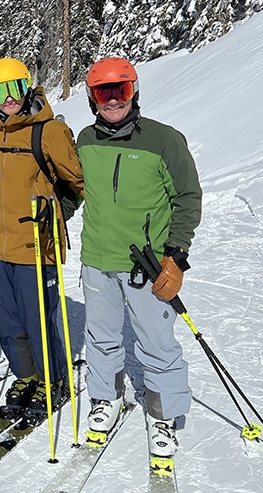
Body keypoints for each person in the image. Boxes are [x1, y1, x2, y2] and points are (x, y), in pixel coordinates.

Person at [75, 57, 202, 461]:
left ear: (133, 92)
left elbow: (187, 198)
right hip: (97, 258)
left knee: (156, 341)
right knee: (101, 336)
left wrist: (176, 255)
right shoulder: (84, 140)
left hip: (146, 265)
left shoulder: (164, 140)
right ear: (93, 99)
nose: (112, 100)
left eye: (121, 90)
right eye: (103, 93)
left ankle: (162, 414)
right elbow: (77, 190)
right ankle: (105, 398)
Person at [0, 58, 84, 418]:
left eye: (14, 88)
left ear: (27, 88)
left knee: (39, 318)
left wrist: (58, 213)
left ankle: (52, 380)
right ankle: (26, 375)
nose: (8, 98)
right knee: (6, 319)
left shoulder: (49, 131)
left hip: (37, 245)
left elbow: (78, 184)